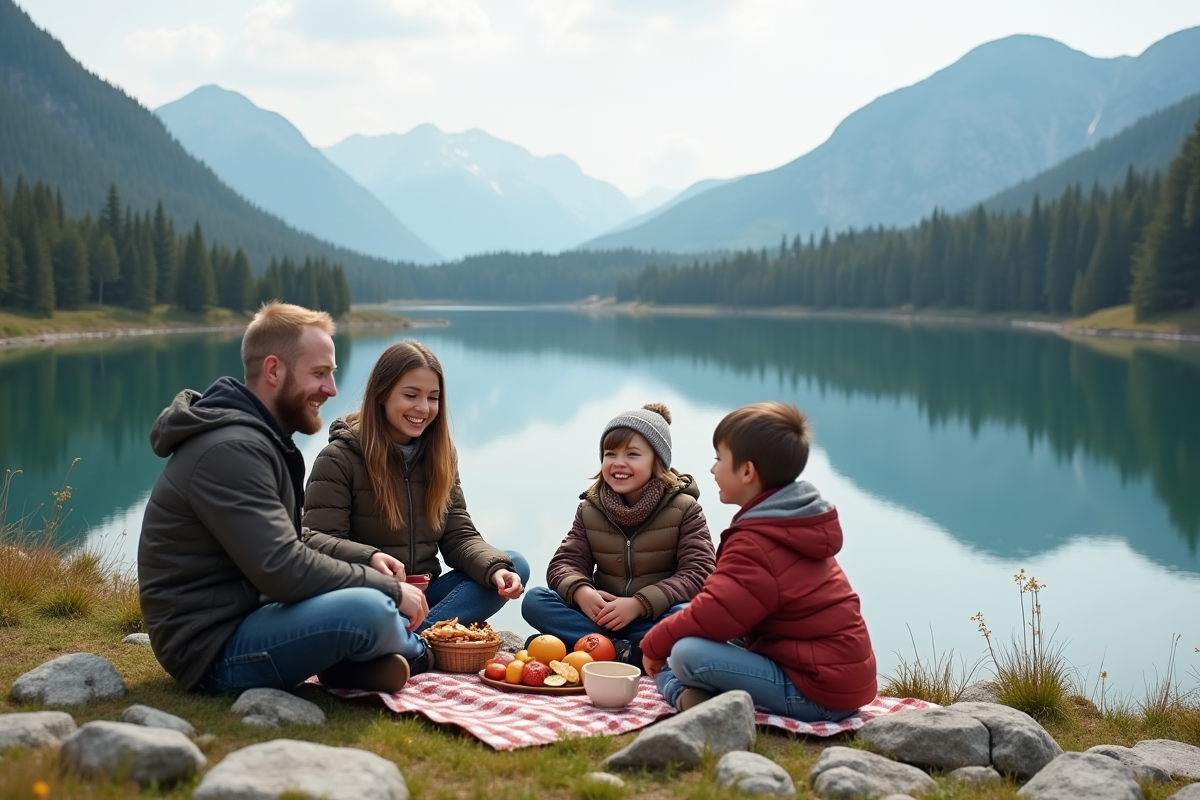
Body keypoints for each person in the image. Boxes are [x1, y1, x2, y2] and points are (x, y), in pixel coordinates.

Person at [139, 302, 426, 696]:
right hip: (210, 652)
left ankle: (345, 663)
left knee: (370, 607)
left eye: (332, 373)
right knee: (372, 609)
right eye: (319, 373)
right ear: (273, 370)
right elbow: (283, 569)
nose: (332, 389)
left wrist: (365, 558)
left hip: (251, 617)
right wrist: (388, 589)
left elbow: (288, 542)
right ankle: (422, 652)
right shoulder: (229, 450)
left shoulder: (257, 441)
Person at [642, 401, 877, 719]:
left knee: (684, 653)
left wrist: (653, 645)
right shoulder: (789, 520)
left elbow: (715, 612)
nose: (712, 469)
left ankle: (684, 695)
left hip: (816, 694)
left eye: (718, 459)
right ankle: (688, 689)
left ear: (747, 471)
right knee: (682, 618)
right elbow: (726, 609)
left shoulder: (758, 541)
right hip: (830, 679)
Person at [302, 341, 528, 659]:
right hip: (369, 595)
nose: (423, 407)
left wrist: (495, 571)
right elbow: (316, 543)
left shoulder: (441, 456)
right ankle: (410, 645)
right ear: (382, 394)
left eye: (433, 398)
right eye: (411, 395)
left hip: (426, 597)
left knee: (514, 563)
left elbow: (458, 535)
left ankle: (414, 643)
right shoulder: (339, 459)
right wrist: (370, 559)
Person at [521, 403, 715, 668]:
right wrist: (582, 592)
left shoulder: (685, 509)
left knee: (689, 617)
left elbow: (699, 572)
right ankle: (624, 651)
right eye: (610, 454)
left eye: (633, 454)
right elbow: (564, 563)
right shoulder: (591, 508)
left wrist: (638, 604)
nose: (618, 463)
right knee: (535, 601)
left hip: (655, 617)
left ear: (657, 461)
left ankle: (589, 646)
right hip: (601, 616)